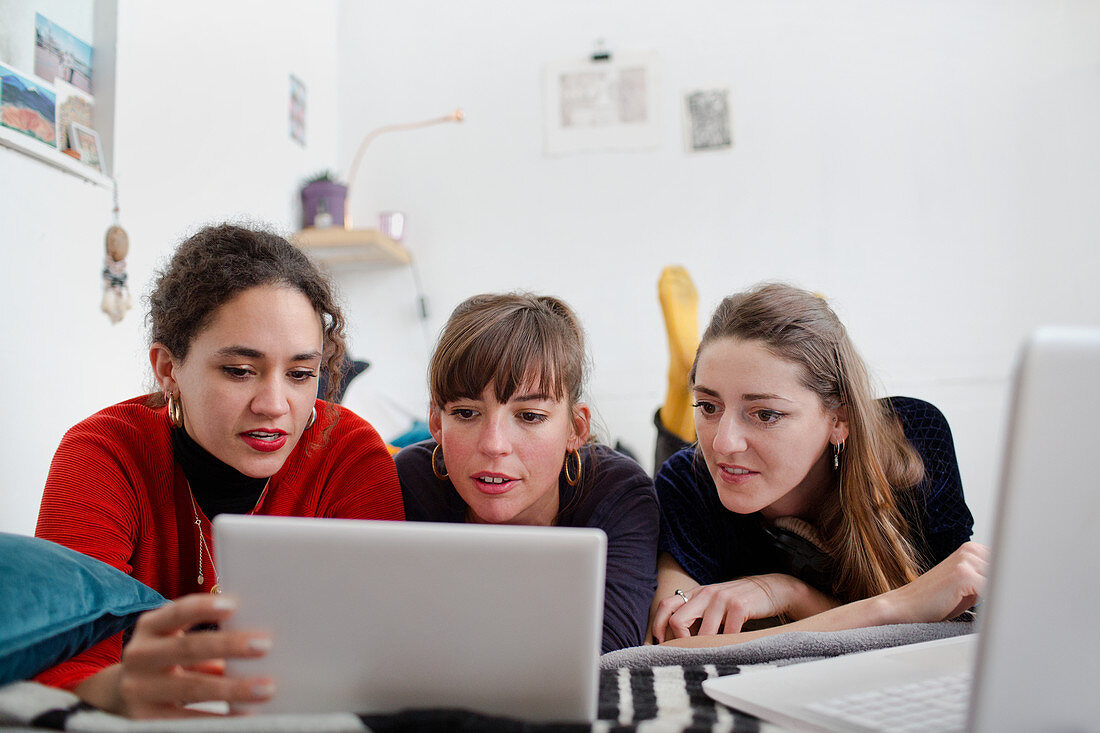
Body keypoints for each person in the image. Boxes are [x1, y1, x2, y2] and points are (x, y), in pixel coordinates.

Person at [35, 224, 405, 716]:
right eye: (239, 370)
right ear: (169, 369)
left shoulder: (350, 454)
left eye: (300, 374)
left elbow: (380, 656)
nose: (276, 405)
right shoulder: (102, 453)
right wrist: (117, 690)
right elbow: (63, 666)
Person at [650, 282, 987, 647]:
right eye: (708, 406)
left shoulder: (913, 436)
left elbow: (954, 619)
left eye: (765, 414)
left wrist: (791, 595)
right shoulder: (687, 479)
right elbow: (674, 644)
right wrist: (896, 606)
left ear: (839, 419)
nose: (723, 443)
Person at [395, 293, 659, 653]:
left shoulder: (619, 493)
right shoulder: (407, 482)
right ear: (435, 423)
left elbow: (607, 652)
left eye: (530, 416)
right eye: (466, 414)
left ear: (576, 429)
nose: (494, 444)